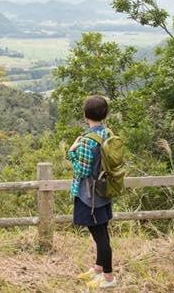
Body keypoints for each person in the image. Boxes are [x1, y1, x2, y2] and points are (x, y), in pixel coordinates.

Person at [66, 95, 117, 289]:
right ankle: (98, 269)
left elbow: (81, 171)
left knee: (100, 235)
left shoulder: (88, 141)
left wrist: (71, 152)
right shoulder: (108, 133)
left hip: (90, 196)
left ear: (86, 114)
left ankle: (109, 278)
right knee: (101, 230)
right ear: (105, 114)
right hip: (103, 190)